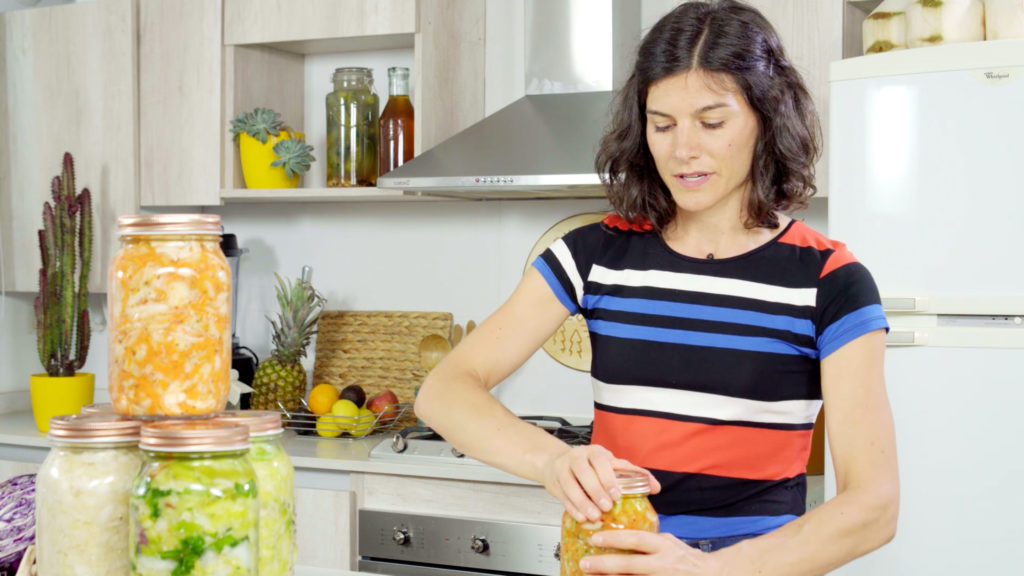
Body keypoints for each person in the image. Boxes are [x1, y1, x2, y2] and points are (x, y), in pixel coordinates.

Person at [415, 1, 899, 574]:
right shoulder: (594, 254)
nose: (681, 149)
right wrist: (553, 462)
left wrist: (710, 570)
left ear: (766, 119)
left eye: (712, 123)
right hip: (608, 561)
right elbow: (444, 391)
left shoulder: (829, 280)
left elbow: (874, 505)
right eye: (662, 124)